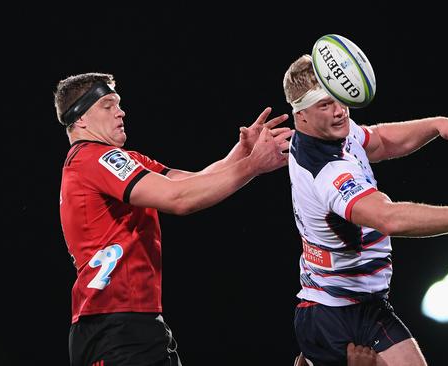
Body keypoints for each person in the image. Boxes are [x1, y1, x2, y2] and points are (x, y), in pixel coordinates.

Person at [282, 55, 448, 366]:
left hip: (365, 303)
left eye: (340, 100)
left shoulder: (331, 134)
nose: (340, 111)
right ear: (300, 114)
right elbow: (389, 218)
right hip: (330, 315)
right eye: (326, 105)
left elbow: (380, 141)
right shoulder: (327, 173)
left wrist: (434, 125)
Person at [54, 72, 293, 366]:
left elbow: (191, 182)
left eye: (118, 103)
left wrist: (242, 152)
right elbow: (178, 199)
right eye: (108, 105)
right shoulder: (95, 158)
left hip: (130, 324)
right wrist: (252, 166)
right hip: (115, 326)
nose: (121, 111)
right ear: (80, 119)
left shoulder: (112, 159)